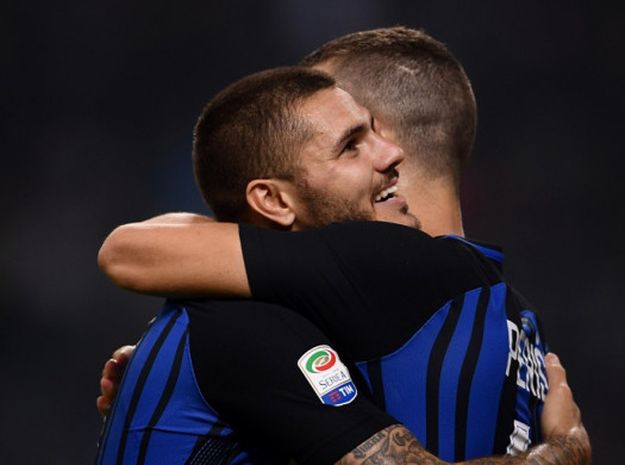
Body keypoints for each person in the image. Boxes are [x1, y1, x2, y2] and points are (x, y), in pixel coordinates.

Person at [98, 30, 590, 464]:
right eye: (350, 142)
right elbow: (126, 251)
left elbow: (134, 250)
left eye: (368, 132)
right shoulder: (514, 315)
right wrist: (564, 448)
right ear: (271, 198)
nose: (388, 154)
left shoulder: (372, 280)